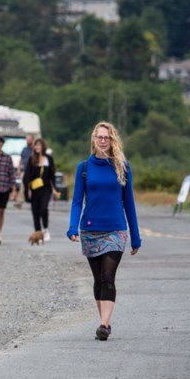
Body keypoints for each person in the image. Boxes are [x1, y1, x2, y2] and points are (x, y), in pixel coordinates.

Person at [67, 121, 141, 342]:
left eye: (106, 137)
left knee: (108, 276)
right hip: (90, 230)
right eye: (99, 137)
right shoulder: (84, 168)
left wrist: (135, 237)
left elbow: (129, 204)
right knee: (99, 279)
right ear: (93, 139)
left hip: (116, 230)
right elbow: (77, 201)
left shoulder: (123, 167)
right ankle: (104, 321)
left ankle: (104, 324)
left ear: (112, 140)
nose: (102, 140)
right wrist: (72, 227)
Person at [23, 138, 57, 242]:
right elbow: (27, 175)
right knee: (35, 211)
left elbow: (52, 176)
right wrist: (28, 189)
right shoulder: (31, 159)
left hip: (46, 188)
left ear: (43, 146)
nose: (37, 147)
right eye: (35, 145)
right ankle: (38, 233)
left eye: (39, 145)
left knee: (43, 208)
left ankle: (45, 230)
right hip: (34, 189)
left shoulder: (49, 159)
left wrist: (54, 189)